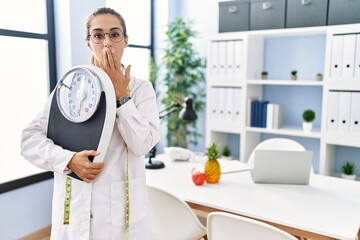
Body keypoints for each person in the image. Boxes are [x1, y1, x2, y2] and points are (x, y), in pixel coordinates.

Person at [21, 7, 160, 240]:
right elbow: (29, 140)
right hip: (74, 215)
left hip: (119, 221)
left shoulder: (140, 89)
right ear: (88, 43)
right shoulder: (68, 87)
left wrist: (120, 96)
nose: (107, 43)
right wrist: (68, 160)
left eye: (114, 35)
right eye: (98, 35)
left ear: (125, 41)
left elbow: (142, 144)